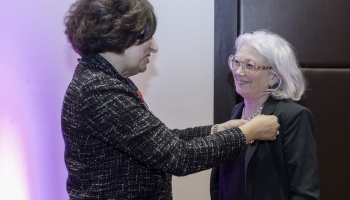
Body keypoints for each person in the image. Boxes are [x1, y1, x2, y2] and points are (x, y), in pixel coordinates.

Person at [62, 1, 280, 199]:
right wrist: (247, 133)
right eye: (146, 37)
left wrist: (216, 130)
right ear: (118, 36)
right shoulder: (100, 91)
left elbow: (160, 141)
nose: (154, 46)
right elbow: (178, 157)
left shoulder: (107, 80)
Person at [210, 30, 320, 200]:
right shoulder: (237, 111)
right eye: (236, 62)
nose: (239, 72)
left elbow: (304, 192)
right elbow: (223, 183)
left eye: (249, 65)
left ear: (274, 78)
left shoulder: (293, 117)